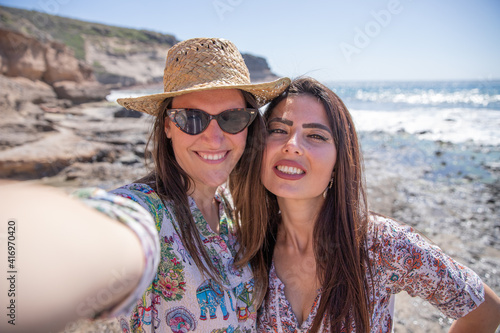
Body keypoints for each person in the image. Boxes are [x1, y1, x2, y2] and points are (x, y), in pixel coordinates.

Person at [0, 38, 289, 333]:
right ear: (166, 126)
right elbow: (101, 233)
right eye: (191, 118)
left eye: (232, 118)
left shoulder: (236, 210)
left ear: (249, 126)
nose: (214, 139)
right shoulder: (146, 212)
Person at [231, 77, 500, 332]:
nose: (292, 145)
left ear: (339, 162)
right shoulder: (246, 247)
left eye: (315, 136)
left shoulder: (381, 244)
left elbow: (484, 310)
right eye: (278, 130)